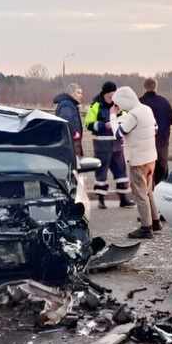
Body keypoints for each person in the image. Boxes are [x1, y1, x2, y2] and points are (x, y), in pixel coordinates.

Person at [113, 86, 160, 239]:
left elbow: (119, 133)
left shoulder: (133, 115)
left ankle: (146, 228)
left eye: (119, 103)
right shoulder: (146, 109)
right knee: (148, 191)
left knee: (140, 194)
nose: (118, 106)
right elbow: (156, 128)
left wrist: (113, 117)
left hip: (138, 160)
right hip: (151, 157)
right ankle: (155, 221)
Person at [84, 81, 133, 209]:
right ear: (104, 94)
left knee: (121, 172)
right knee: (101, 173)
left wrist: (120, 122)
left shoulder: (119, 105)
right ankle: (101, 200)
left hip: (117, 145)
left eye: (114, 95)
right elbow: (88, 123)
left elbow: (127, 120)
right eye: (110, 96)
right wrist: (103, 125)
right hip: (102, 145)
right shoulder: (96, 105)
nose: (112, 98)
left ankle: (123, 199)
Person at [138, 78, 172, 185]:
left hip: (144, 142)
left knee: (145, 171)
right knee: (162, 167)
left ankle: (147, 189)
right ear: (156, 87)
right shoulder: (164, 102)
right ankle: (160, 187)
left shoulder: (139, 102)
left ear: (144, 87)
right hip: (162, 141)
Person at [53, 83, 84, 157]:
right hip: (70, 143)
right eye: (78, 93)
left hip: (71, 142)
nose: (81, 95)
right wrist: (75, 133)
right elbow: (66, 122)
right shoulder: (67, 105)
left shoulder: (71, 104)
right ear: (72, 94)